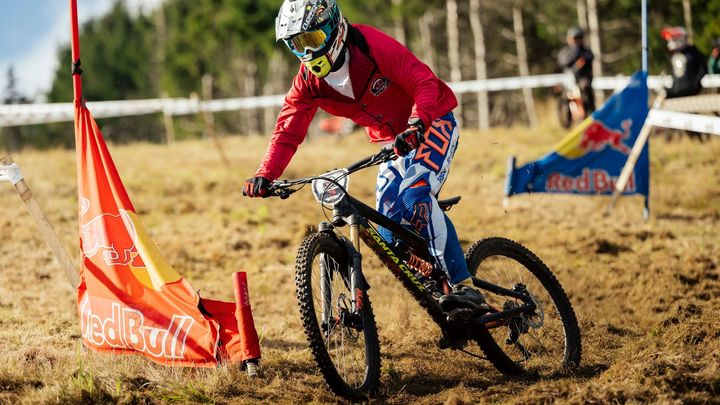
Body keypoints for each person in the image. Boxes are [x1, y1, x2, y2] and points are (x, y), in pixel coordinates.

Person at [243, 0, 485, 311]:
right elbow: (287, 131)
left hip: (431, 121)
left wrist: (417, 122)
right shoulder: (308, 82)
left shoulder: (369, 44)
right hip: (391, 144)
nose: (306, 52)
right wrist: (266, 174)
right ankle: (437, 288)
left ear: (332, 29)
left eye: (311, 40)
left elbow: (422, 80)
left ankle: (465, 287)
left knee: (414, 195)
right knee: (385, 228)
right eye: (296, 45)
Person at [557, 27, 596, 114]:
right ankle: (565, 114)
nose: (576, 41)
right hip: (569, 79)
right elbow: (563, 62)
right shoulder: (565, 51)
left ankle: (590, 113)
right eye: (574, 38)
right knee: (562, 92)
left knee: (585, 88)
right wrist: (575, 54)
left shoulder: (586, 51)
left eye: (578, 38)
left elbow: (590, 57)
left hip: (583, 78)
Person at [661, 27, 707, 98]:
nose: (671, 42)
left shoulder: (693, 53)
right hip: (677, 91)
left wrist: (695, 83)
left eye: (674, 39)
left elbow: (703, 69)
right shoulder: (675, 55)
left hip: (690, 92)